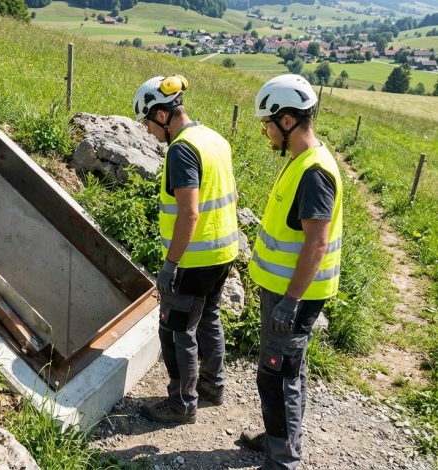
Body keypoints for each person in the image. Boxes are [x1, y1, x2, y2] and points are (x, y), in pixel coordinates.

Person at [240, 74, 343, 470]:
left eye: (266, 123)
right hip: (284, 291)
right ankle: (277, 439)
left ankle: (283, 459)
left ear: (286, 121)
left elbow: (316, 243)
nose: (264, 131)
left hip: (293, 298)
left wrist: (291, 302)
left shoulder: (314, 171)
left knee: (277, 375)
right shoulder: (303, 161)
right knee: (284, 371)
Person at [132, 75, 238, 424]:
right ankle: (212, 385)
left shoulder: (181, 150)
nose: (148, 131)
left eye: (148, 122)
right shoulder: (214, 139)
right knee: (208, 318)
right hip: (223, 253)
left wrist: (170, 264)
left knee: (177, 329)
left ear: (162, 116)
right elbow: (231, 198)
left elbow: (189, 211)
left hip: (193, 259)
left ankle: (182, 403)